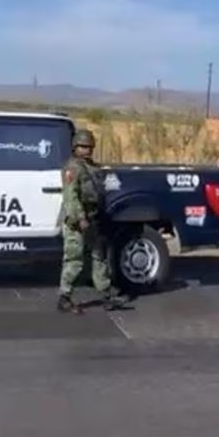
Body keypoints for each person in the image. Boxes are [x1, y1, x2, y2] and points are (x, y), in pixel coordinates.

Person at [56, 129, 129, 313]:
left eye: (89, 147)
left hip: (92, 218)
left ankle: (106, 294)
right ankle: (64, 297)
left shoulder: (93, 168)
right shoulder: (72, 168)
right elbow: (70, 197)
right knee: (74, 259)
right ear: (75, 147)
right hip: (76, 222)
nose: (86, 150)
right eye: (82, 146)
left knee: (98, 257)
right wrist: (80, 218)